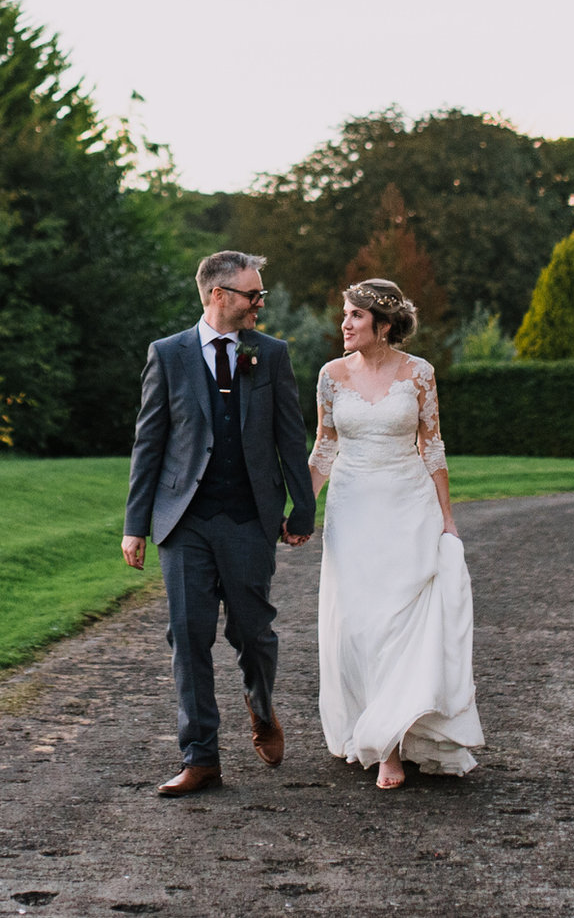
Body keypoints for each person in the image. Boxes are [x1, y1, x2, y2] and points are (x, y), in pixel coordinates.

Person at [123, 250, 320, 796]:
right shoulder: (167, 355)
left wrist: (301, 509)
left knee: (252, 633)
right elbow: (149, 443)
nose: (260, 304)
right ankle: (200, 756)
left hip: (248, 517)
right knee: (187, 636)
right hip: (183, 520)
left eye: (261, 295)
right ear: (219, 296)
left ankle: (260, 704)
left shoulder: (271, 354)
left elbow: (289, 436)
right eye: (253, 295)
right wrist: (134, 524)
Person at [309, 277, 484, 787]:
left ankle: (391, 745)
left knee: (399, 624)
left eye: (354, 316)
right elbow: (324, 448)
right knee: (357, 628)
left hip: (408, 508)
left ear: (382, 326)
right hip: (351, 510)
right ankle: (370, 726)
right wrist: (300, 508)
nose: (344, 324)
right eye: (344, 315)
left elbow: (432, 447)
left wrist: (447, 519)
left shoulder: (420, 374)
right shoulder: (330, 375)